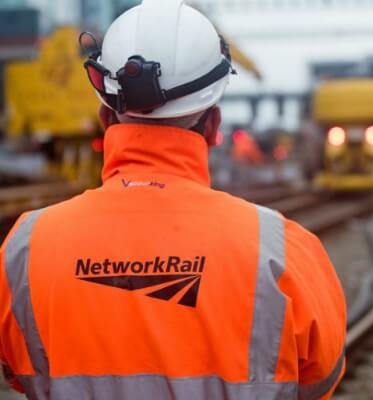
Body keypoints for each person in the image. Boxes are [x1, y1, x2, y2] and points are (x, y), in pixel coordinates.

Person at [0, 1, 347, 399]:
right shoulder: (282, 250)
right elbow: (320, 376)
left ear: (104, 117)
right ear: (214, 126)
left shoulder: (25, 249)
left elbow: (15, 370)